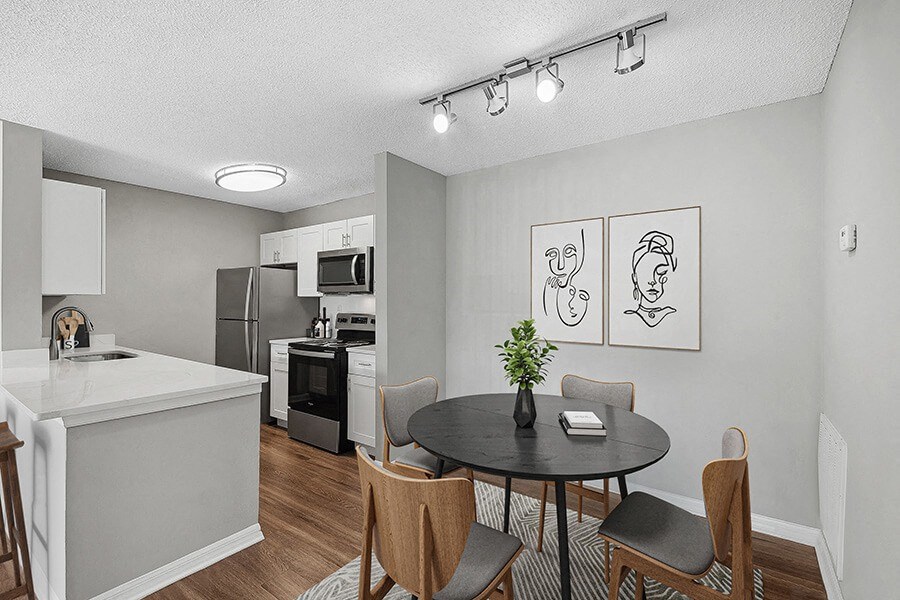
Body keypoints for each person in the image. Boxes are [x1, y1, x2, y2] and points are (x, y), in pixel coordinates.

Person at [624, 230, 677, 327]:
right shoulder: (628, 317)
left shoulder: (672, 314)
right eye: (645, 273)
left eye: (660, 273)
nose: (652, 281)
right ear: (635, 278)